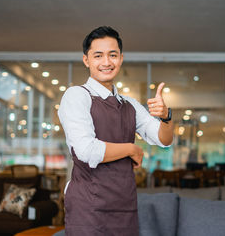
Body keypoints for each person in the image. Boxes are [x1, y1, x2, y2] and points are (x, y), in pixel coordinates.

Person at [58, 26, 174, 235]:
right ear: (86, 60)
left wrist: (166, 116)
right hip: (88, 209)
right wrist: (131, 149)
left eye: (112, 55)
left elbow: (164, 139)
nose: (106, 62)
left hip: (124, 207)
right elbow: (87, 150)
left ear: (121, 58)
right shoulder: (76, 96)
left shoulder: (130, 105)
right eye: (98, 55)